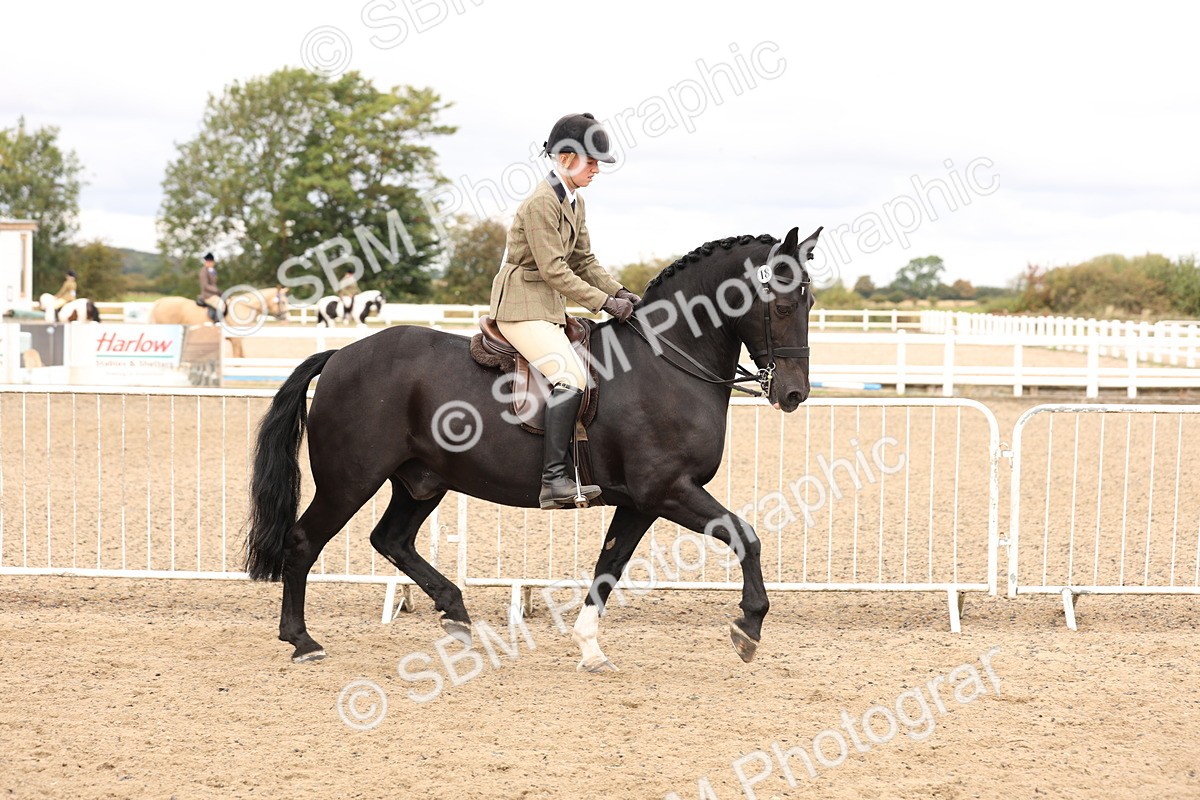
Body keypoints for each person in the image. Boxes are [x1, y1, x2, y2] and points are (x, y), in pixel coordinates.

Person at [489, 112, 642, 509]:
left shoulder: (574, 202)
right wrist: (604, 304)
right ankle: (553, 480)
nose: (596, 169)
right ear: (566, 157)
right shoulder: (542, 203)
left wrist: (624, 292)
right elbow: (555, 269)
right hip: (521, 305)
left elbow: (585, 261)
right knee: (571, 377)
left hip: (546, 306)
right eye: (591, 161)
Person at [198, 252, 220, 324]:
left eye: (211, 262)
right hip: (207, 295)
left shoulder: (213, 271)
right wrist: (217, 290)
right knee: (220, 305)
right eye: (208, 262)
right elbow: (205, 285)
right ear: (206, 262)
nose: (210, 263)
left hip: (213, 294)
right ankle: (216, 322)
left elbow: (213, 283)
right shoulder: (203, 271)